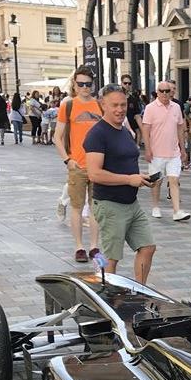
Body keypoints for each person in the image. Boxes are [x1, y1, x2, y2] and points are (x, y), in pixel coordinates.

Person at [84, 84, 155, 283]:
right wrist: (128, 179)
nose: (120, 109)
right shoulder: (97, 134)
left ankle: (140, 292)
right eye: (114, 105)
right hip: (110, 205)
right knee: (110, 259)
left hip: (131, 203)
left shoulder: (123, 130)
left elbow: (123, 163)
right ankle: (103, 297)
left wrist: (140, 177)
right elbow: (94, 174)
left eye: (123, 104)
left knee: (148, 247)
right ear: (102, 105)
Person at [55, 68, 103, 262]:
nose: (84, 88)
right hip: (77, 165)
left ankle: (94, 246)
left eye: (88, 84)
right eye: (80, 84)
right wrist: (68, 159)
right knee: (76, 206)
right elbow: (57, 136)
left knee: (96, 208)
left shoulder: (100, 105)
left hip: (98, 165)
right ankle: (79, 247)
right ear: (74, 84)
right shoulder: (68, 105)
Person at [141, 81, 191, 222]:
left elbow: (180, 128)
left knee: (174, 180)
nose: (164, 94)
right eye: (161, 91)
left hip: (173, 152)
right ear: (157, 92)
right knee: (157, 181)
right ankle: (156, 206)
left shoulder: (176, 107)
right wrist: (148, 149)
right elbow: (146, 129)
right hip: (156, 152)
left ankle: (177, 211)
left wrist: (183, 149)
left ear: (171, 92)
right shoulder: (150, 108)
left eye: (167, 91)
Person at [120, 75, 144, 146]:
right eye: (125, 83)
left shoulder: (133, 99)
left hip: (131, 133)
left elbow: (137, 117)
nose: (127, 85)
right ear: (121, 83)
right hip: (119, 131)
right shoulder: (116, 97)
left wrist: (144, 133)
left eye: (129, 83)